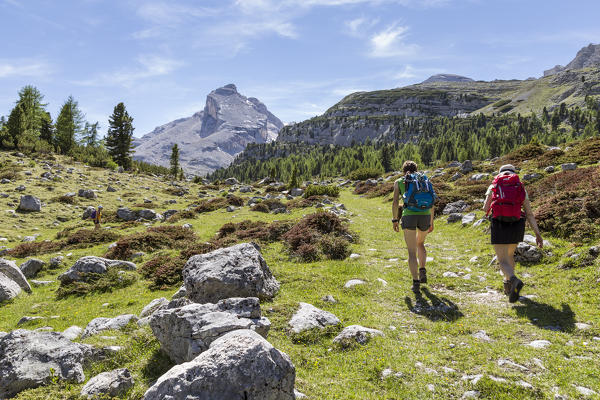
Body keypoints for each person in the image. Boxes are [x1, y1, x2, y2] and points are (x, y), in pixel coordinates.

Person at [483, 164, 543, 303]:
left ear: (499, 173)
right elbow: (529, 213)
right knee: (509, 255)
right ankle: (509, 288)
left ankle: (514, 280)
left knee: (502, 259)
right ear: (514, 173)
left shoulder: (494, 185)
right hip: (516, 224)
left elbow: (485, 207)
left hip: (499, 223)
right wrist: (537, 234)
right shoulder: (519, 186)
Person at [392, 161, 436, 293]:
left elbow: (395, 202)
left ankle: (415, 282)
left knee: (411, 252)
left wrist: (395, 219)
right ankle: (422, 270)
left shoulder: (399, 181)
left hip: (409, 215)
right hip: (425, 215)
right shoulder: (424, 180)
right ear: (417, 169)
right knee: (421, 244)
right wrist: (431, 221)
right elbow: (432, 202)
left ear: (403, 170)